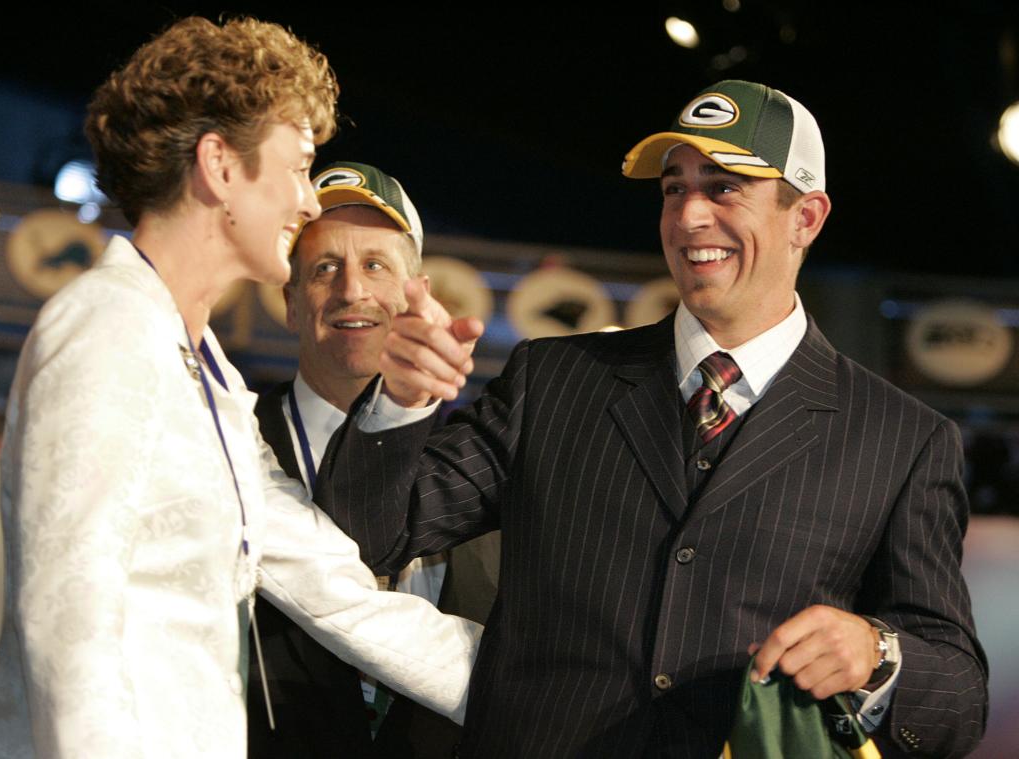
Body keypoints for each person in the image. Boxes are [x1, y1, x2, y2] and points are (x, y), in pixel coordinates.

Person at [318, 80, 988, 757]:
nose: (689, 215)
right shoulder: (549, 380)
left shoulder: (902, 438)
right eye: (674, 188)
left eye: (724, 187)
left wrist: (875, 650)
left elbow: (958, 692)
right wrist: (400, 399)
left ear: (805, 218)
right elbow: (370, 531)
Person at [0, 18, 479, 759]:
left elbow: (336, 591)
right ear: (220, 166)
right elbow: (67, 625)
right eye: (296, 166)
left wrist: (555, 684)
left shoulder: (210, 374)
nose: (308, 202)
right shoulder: (105, 327)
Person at [248, 162, 499, 758]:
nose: (352, 290)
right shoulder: (230, 440)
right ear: (289, 302)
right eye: (325, 269)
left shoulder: (486, 455)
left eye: (376, 266)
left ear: (419, 293)